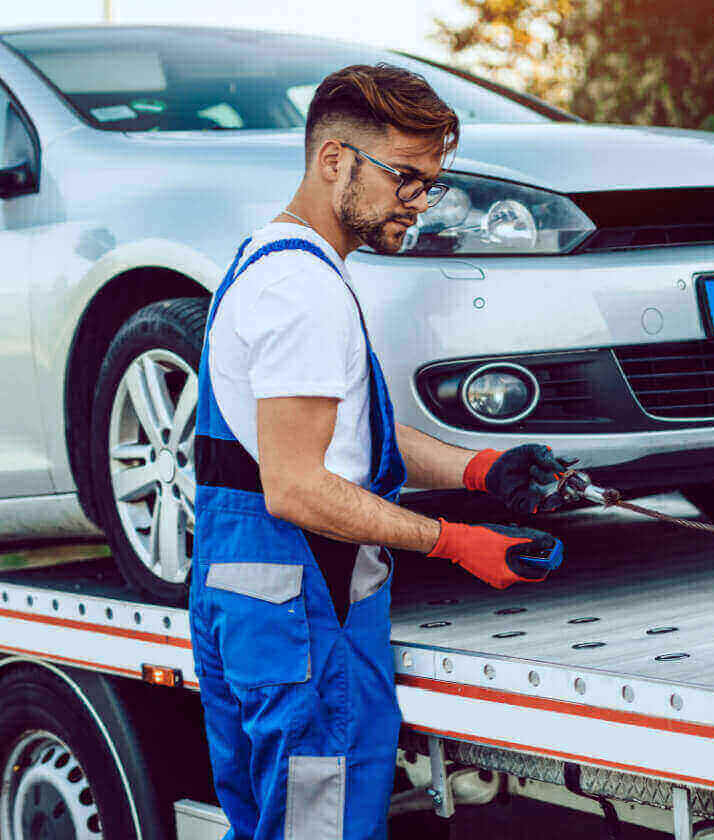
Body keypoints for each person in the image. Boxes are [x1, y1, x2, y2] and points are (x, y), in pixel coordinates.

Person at [189, 63, 570, 840]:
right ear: (335, 161)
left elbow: (331, 435)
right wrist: (454, 541)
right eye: (406, 179)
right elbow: (296, 488)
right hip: (304, 608)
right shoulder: (303, 292)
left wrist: (478, 469)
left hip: (259, 601)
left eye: (429, 183)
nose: (420, 203)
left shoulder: (269, 265)